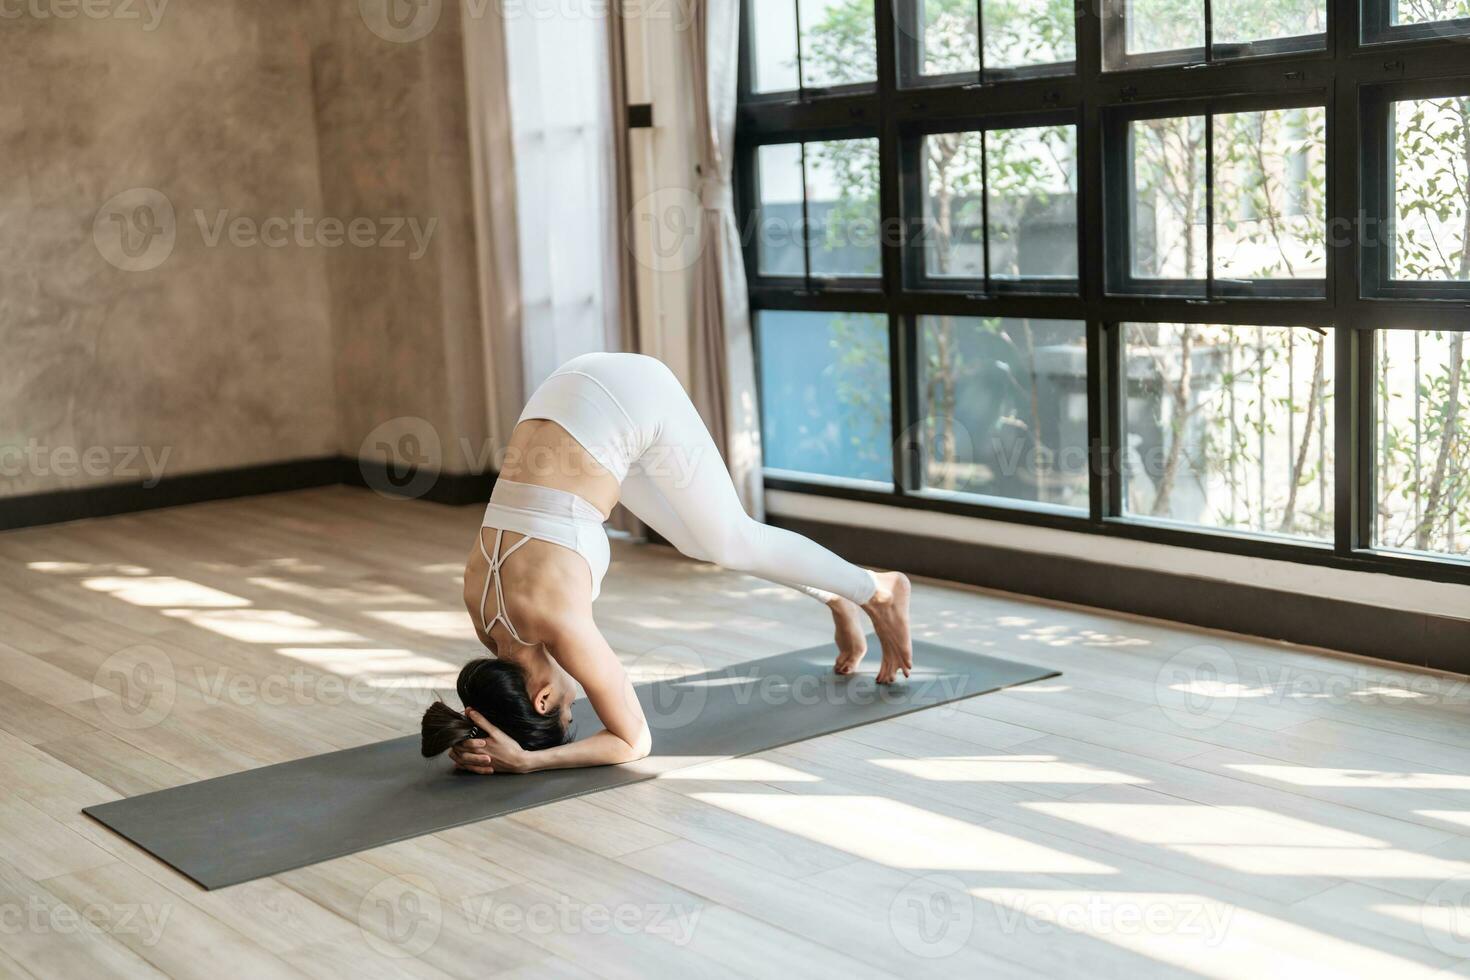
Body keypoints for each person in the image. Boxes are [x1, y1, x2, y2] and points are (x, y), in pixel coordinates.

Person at [422, 352, 912, 775]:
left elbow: (634, 742)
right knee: (705, 543)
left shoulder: (555, 622)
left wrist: (531, 760)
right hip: (567, 393)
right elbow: (489, 708)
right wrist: (481, 737)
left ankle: (879, 590)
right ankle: (835, 595)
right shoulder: (486, 617)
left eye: (571, 711)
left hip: (626, 398)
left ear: (543, 701)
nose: (578, 702)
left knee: (733, 539)